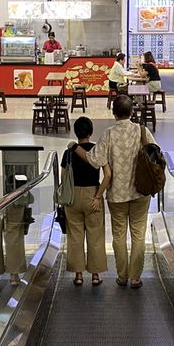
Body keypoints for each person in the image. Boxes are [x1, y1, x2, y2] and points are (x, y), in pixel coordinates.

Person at [73, 96, 157, 289]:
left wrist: (75, 147)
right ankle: (136, 277)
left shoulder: (108, 134)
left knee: (119, 235)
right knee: (138, 234)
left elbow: (94, 160)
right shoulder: (142, 131)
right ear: (132, 112)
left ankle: (122, 276)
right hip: (141, 192)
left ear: (114, 113)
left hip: (117, 195)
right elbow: (156, 153)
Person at [62, 117, 111, 286]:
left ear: (76, 133)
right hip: (92, 195)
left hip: (73, 196)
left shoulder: (68, 152)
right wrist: (99, 196)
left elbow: (63, 177)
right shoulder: (97, 150)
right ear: (90, 132)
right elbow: (108, 175)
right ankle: (95, 275)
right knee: (95, 235)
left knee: (75, 236)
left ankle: (78, 275)